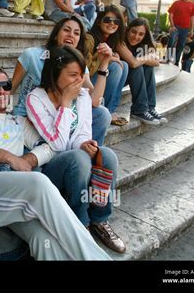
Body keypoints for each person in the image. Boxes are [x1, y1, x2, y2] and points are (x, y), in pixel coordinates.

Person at [0, 67, 112, 260]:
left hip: (17, 192)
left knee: (44, 239)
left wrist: (28, 159)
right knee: (39, 182)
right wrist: (11, 158)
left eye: (6, 86)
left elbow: (49, 147)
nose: (1, 91)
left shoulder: (18, 121)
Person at [26, 46, 126, 253]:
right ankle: (80, 224)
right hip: (51, 167)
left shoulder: (82, 96)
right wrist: (65, 103)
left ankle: (99, 219)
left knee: (106, 156)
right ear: (55, 73)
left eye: (81, 75)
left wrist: (84, 143)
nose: (79, 81)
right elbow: (57, 144)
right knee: (79, 159)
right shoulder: (36, 98)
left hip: (74, 157)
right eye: (72, 75)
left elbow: (82, 131)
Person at [11, 15, 112, 146]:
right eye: (66, 30)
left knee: (102, 114)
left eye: (76, 33)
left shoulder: (77, 64)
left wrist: (104, 64)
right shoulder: (31, 55)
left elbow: (94, 100)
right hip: (30, 116)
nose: (71, 35)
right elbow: (11, 88)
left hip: (62, 112)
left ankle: (90, 156)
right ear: (55, 35)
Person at [88, 5, 129, 126]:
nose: (112, 23)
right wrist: (108, 59)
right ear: (99, 22)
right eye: (107, 20)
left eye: (116, 21)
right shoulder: (89, 38)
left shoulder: (111, 40)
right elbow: (86, 69)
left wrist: (111, 57)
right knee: (116, 67)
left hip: (98, 78)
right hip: (85, 82)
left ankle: (111, 109)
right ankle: (107, 111)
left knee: (124, 65)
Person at [124, 17, 168, 125]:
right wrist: (147, 57)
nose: (136, 36)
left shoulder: (144, 45)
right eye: (133, 32)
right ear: (128, 30)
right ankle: (139, 109)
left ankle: (149, 107)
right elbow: (133, 63)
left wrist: (143, 59)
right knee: (137, 67)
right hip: (118, 77)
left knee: (147, 67)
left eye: (141, 34)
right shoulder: (121, 42)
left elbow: (156, 62)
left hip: (133, 77)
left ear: (145, 35)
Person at [167, 0, 194, 66]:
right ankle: (168, 59)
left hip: (185, 28)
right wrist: (172, 25)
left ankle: (176, 63)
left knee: (181, 45)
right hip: (176, 26)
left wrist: (192, 29)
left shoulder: (192, 5)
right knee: (172, 41)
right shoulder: (176, 3)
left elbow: (192, 17)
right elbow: (171, 14)